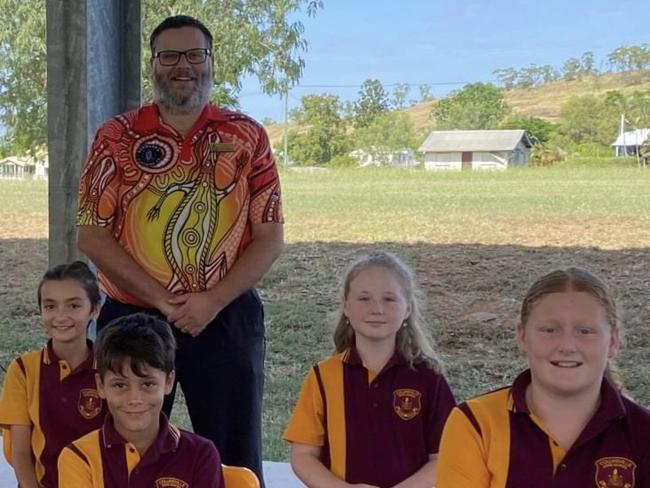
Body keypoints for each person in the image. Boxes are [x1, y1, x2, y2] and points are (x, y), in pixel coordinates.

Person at [75, 14, 283, 483]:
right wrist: (163, 300)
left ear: (211, 62)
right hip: (135, 314)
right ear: (154, 65)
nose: (182, 65)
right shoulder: (116, 137)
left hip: (226, 313)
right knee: (125, 448)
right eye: (169, 55)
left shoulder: (247, 135)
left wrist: (210, 300)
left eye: (194, 54)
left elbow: (270, 238)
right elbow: (91, 234)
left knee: (233, 453)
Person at [436, 267, 650, 487]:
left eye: (585, 331)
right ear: (522, 336)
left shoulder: (643, 432)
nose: (567, 346)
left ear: (613, 341)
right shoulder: (476, 423)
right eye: (549, 330)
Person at [284, 253, 456, 488]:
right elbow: (303, 455)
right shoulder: (323, 377)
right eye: (364, 298)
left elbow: (444, 458)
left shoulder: (429, 378)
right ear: (345, 306)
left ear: (407, 309)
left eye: (389, 299)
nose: (377, 309)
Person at [58, 313, 223, 487]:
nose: (134, 399)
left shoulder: (200, 454)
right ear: (101, 386)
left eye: (148, 384)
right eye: (120, 385)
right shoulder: (79, 458)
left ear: (168, 382)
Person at [0, 261, 107, 488]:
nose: (61, 316)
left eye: (73, 306)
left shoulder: (111, 368)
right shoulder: (23, 370)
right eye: (50, 306)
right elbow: (20, 454)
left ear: (95, 309)